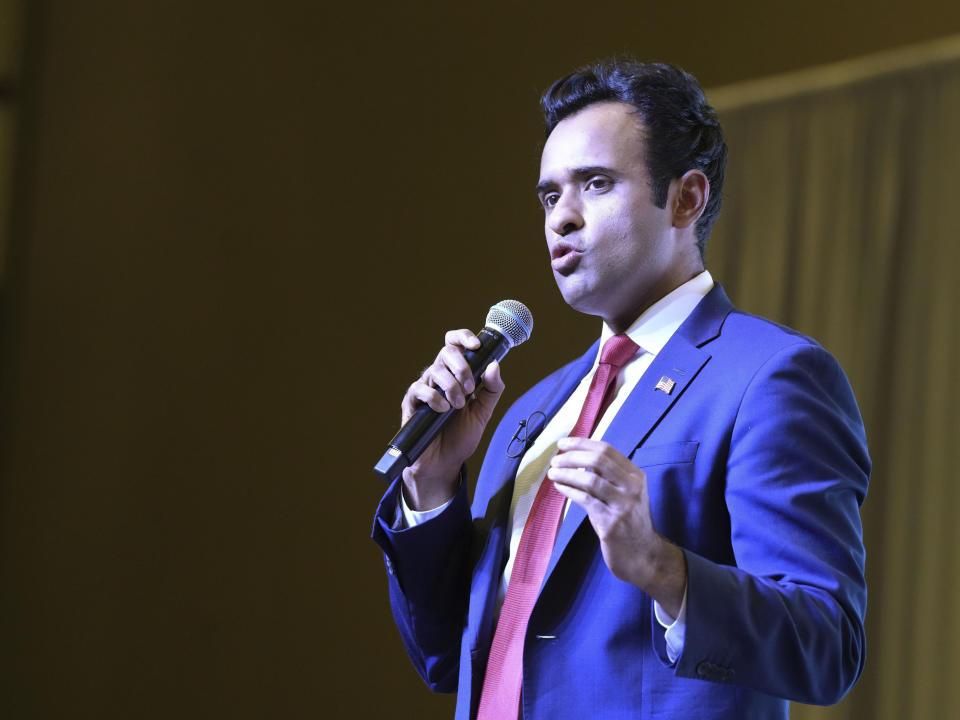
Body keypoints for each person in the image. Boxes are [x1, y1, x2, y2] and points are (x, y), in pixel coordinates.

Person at [372, 60, 869, 720]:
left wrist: (663, 568)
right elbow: (447, 656)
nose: (562, 220)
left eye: (596, 184)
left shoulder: (770, 377)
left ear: (686, 198)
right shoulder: (531, 413)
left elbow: (826, 645)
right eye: (549, 196)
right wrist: (432, 488)